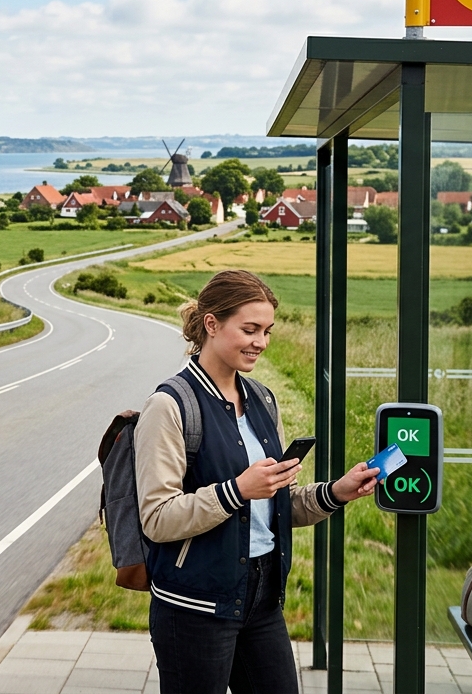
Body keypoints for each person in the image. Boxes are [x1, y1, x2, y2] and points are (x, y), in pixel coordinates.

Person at [134, 269, 380, 694]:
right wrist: (236, 491)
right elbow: (157, 518)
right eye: (249, 329)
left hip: (263, 596)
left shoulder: (263, 399)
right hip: (194, 605)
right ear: (211, 324)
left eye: (266, 331)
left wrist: (336, 493)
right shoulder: (170, 406)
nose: (261, 343)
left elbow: (274, 504)